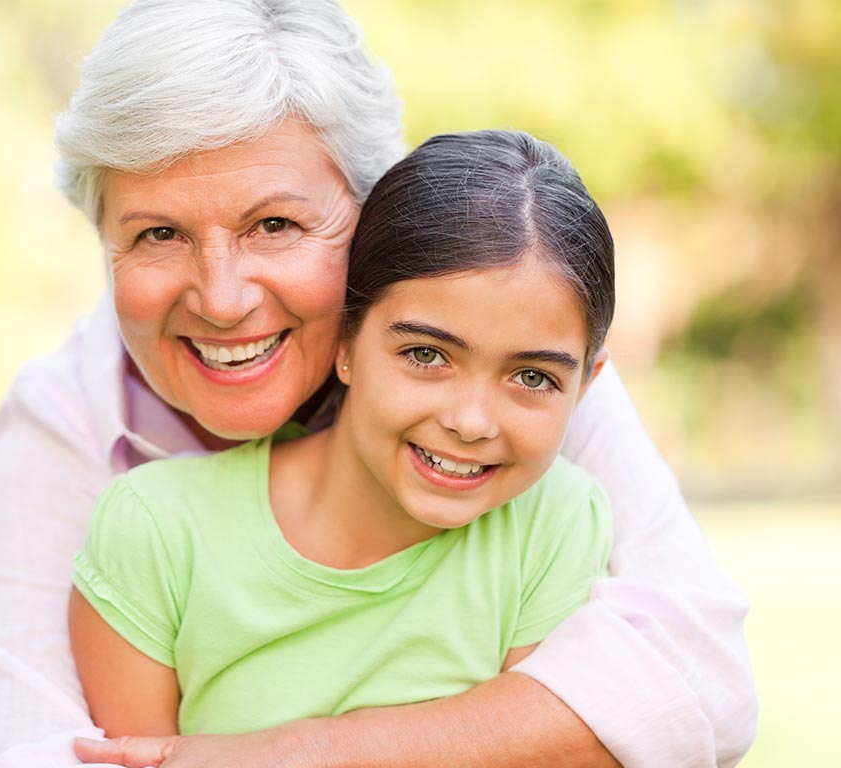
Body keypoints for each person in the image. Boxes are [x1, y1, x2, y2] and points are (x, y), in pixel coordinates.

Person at [0, 2, 757, 766]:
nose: (223, 299)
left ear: (373, 212)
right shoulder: (65, 421)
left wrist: (302, 752)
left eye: (275, 225)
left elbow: (697, 678)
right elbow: (25, 749)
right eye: (157, 234)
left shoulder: (504, 365)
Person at [68, 129, 617, 742]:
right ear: (347, 342)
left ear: (586, 386)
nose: (471, 421)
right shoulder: (156, 531)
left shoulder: (556, 523)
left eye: (533, 376)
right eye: (427, 354)